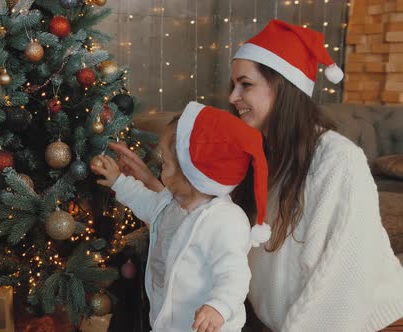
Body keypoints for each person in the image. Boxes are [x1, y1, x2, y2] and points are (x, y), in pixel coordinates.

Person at [111, 19, 403, 331]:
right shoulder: (256, 151)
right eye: (233, 86)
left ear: (283, 87)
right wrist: (149, 181)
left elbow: (343, 282)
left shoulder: (338, 160)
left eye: (245, 85)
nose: (233, 97)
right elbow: (207, 222)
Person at [92, 103, 270, 332]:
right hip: (169, 319)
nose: (161, 169)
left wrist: (219, 307)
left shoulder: (224, 221)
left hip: (205, 325)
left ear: (190, 172)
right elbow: (144, 200)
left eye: (165, 163)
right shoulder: (170, 202)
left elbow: (234, 273)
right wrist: (118, 180)